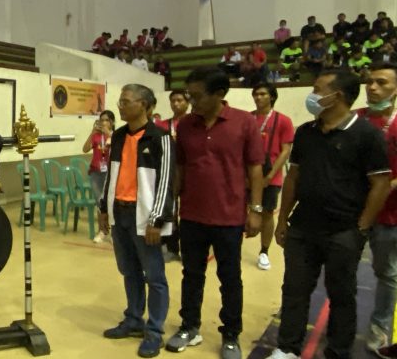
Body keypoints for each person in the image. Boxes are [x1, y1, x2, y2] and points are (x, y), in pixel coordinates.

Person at [269, 70, 391, 359]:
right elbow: (294, 178)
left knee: (341, 295)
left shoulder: (367, 135)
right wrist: (283, 217)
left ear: (336, 96)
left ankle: (337, 351)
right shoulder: (305, 132)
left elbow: (381, 183)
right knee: (294, 290)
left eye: (317, 89)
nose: (312, 94)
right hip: (302, 229)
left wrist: (361, 227)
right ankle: (287, 348)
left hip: (343, 231)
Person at [166, 67, 264, 359]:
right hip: (192, 215)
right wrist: (173, 206)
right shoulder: (185, 125)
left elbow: (255, 169)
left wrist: (255, 209)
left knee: (230, 278)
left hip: (229, 217)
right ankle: (189, 326)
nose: (191, 101)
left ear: (220, 94)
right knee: (191, 274)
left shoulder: (245, 122)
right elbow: (181, 168)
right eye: (189, 95)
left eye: (196, 96)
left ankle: (231, 334)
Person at [99, 84, 175, 359]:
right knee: (129, 271)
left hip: (145, 217)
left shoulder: (160, 138)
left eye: (126, 101)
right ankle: (133, 319)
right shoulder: (118, 136)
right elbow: (111, 174)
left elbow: (167, 183)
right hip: (120, 214)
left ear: (144, 105)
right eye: (120, 101)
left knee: (154, 277)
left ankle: (154, 331)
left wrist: (157, 219)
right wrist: (103, 208)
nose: (120, 106)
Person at [357, 65, 397, 354]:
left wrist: (383, 188)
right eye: (369, 82)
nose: (372, 87)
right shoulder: (355, 118)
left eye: (381, 83)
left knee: (387, 272)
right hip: (351, 211)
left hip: (389, 214)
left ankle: (379, 327)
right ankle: (341, 322)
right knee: (340, 268)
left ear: (395, 89)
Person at [250, 82, 294, 271]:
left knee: (267, 214)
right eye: (256, 94)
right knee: (241, 211)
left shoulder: (283, 120)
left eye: (262, 94)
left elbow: (285, 151)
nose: (258, 97)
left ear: (272, 97)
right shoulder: (247, 118)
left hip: (271, 176)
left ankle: (264, 252)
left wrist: (269, 175)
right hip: (248, 175)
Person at [155, 90, 190, 263]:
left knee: (188, 213)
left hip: (190, 174)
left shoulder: (194, 123)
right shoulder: (162, 125)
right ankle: (170, 246)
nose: (176, 104)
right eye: (173, 101)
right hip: (169, 173)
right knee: (169, 210)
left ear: (187, 102)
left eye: (180, 100)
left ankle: (188, 248)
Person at [84, 110, 116, 244]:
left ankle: (115, 232)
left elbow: (119, 149)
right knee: (99, 203)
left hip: (111, 173)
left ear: (112, 122)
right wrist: (92, 133)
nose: (103, 122)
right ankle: (102, 230)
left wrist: (108, 133)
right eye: (101, 120)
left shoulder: (115, 135)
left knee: (112, 203)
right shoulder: (96, 136)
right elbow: (85, 149)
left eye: (106, 120)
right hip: (96, 172)